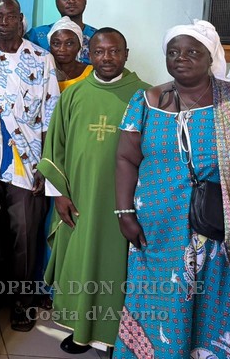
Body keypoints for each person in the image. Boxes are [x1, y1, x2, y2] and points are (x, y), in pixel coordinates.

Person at [114, 20, 230, 358]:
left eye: (192, 52)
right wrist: (125, 212)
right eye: (173, 52)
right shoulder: (145, 100)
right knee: (155, 300)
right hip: (155, 229)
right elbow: (126, 159)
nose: (180, 58)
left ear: (210, 56)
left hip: (217, 230)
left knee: (213, 302)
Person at [36, 28, 149, 354]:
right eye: (99, 52)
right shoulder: (74, 95)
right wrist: (58, 194)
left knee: (118, 268)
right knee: (82, 263)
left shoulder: (145, 96)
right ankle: (81, 329)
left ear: (126, 54)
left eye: (114, 51)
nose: (107, 58)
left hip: (124, 204)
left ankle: (116, 335)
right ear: (90, 54)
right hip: (81, 201)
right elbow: (53, 151)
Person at [0, 0, 60, 331]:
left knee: (24, 235)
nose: (5, 21)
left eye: (11, 16)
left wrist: (45, 165)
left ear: (21, 19)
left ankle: (23, 301)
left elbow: (50, 116)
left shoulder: (42, 58)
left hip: (27, 162)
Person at [26, 0, 97, 64]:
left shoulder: (97, 36)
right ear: (56, 3)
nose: (71, 1)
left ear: (85, 0)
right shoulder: (36, 34)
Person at [47, 16, 93, 91]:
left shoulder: (91, 73)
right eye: (56, 43)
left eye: (69, 43)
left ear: (79, 46)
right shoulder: (43, 73)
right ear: (50, 45)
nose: (62, 49)